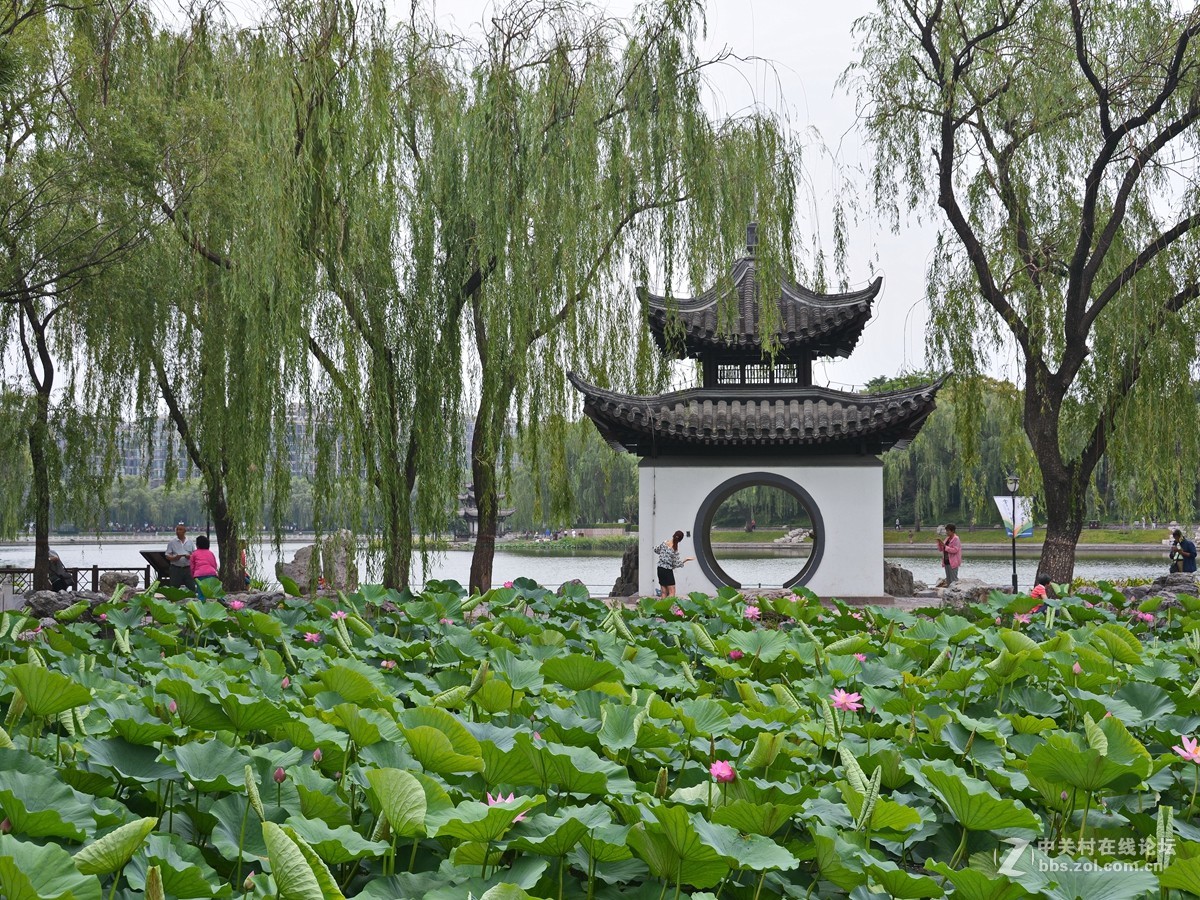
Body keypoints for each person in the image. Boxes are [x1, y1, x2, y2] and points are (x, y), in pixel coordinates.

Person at [654, 530, 694, 598]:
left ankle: (663, 608)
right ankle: (670, 607)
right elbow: (675, 564)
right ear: (680, 540)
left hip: (660, 569)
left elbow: (656, 550)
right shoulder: (674, 550)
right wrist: (685, 560)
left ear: (673, 535)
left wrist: (663, 554)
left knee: (664, 592)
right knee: (672, 592)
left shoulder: (664, 543)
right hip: (667, 571)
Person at [166, 522, 196, 591]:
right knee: (173, 589)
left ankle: (193, 600)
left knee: (192, 588)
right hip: (176, 569)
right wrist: (175, 558)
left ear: (184, 531)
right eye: (177, 530)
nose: (178, 531)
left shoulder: (190, 542)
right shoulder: (172, 542)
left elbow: (194, 555)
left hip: (188, 569)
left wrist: (189, 557)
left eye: (180, 530)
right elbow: (167, 555)